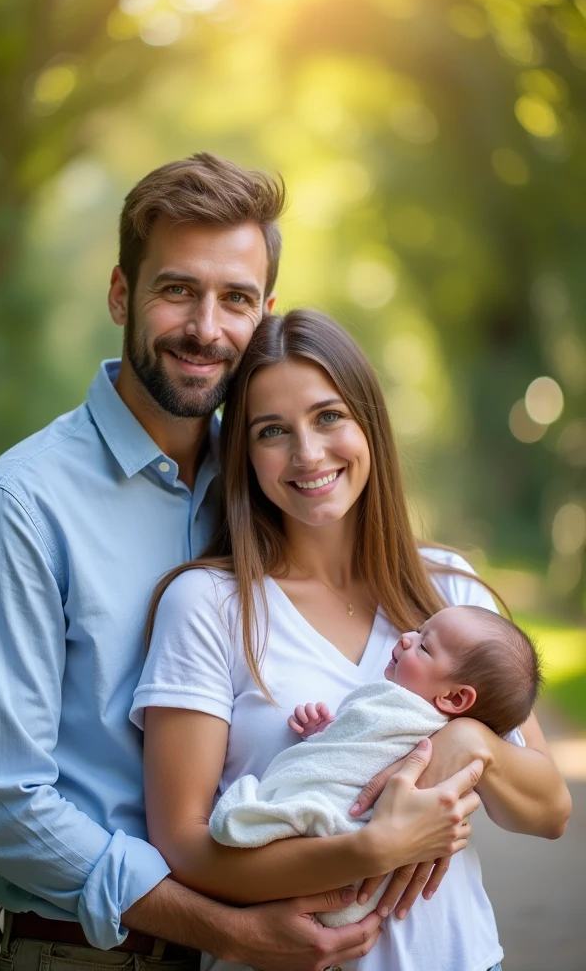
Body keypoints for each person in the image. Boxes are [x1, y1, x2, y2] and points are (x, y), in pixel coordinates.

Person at [0, 153, 396, 971]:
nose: (207, 329)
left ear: (265, 312)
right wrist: (226, 929)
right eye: (178, 290)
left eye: (237, 300)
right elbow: (5, 806)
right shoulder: (18, 509)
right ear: (121, 294)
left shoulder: (265, 483)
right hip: (95, 956)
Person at [132, 309, 571, 971]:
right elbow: (183, 846)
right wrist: (370, 851)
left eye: (329, 416)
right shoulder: (209, 605)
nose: (308, 454)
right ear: (244, 456)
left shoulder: (450, 591)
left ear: (369, 422)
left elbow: (549, 809)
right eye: (272, 431)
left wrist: (469, 740)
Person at [209, 606, 542, 933]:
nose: (407, 637)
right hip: (343, 861)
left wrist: (468, 739)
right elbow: (352, 752)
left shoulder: (410, 717)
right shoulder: (393, 712)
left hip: (352, 837)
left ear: (455, 698)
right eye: (419, 629)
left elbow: (553, 812)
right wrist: (324, 734)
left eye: (424, 646)